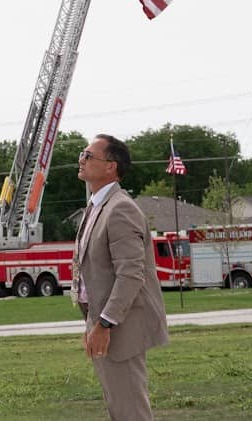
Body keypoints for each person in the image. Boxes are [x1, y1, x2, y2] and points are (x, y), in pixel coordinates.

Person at [73, 134, 170, 421]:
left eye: (89, 155)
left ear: (110, 167)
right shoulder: (96, 206)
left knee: (130, 411)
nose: (81, 159)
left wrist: (104, 323)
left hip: (121, 326)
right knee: (119, 407)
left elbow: (130, 274)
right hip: (102, 321)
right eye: (82, 154)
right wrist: (92, 321)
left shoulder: (120, 208)